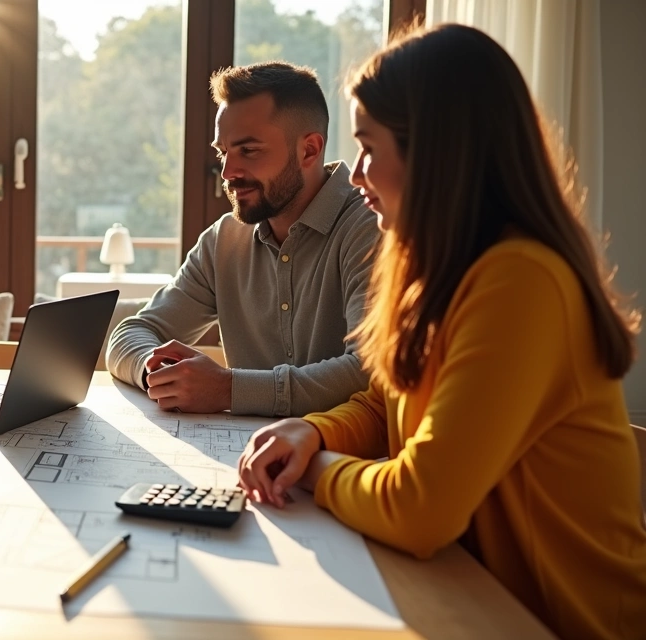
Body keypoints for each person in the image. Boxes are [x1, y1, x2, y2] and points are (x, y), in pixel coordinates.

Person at [236, 24, 646, 639]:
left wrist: (317, 467)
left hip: (561, 622)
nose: (358, 174)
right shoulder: (428, 266)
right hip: (472, 595)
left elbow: (419, 509)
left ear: (437, 151)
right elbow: (387, 400)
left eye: (371, 149)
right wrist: (312, 429)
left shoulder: (522, 280)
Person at [105, 62, 380, 417]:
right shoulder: (224, 240)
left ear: (309, 150)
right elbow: (133, 332)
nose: (227, 173)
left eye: (248, 151)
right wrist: (158, 372)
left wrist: (227, 390)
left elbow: (368, 370)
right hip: (239, 461)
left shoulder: (371, 226)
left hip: (343, 461)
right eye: (223, 152)